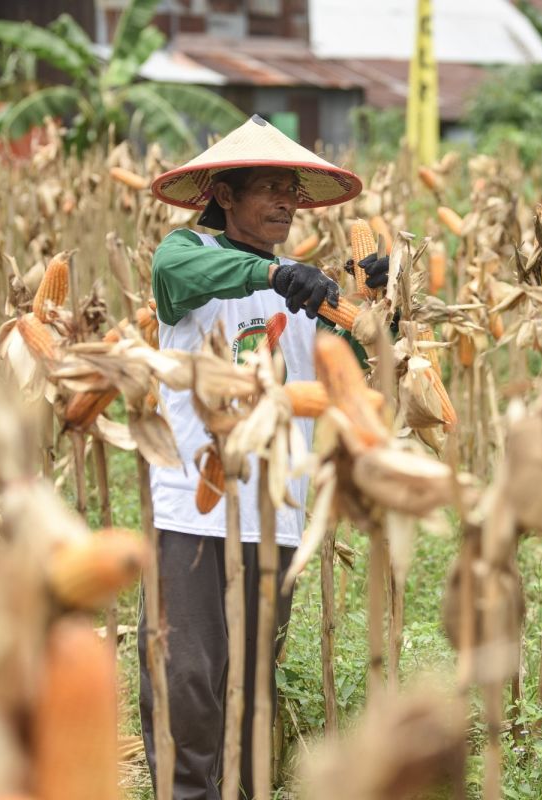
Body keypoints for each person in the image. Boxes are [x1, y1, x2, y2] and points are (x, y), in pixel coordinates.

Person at [142, 114, 385, 800]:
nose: (285, 201)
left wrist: (371, 309)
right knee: (186, 675)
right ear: (224, 194)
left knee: (249, 687)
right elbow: (195, 270)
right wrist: (279, 274)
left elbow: (360, 382)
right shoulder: (184, 255)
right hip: (194, 506)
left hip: (275, 516)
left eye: (291, 191)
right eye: (270, 189)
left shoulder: (308, 291)